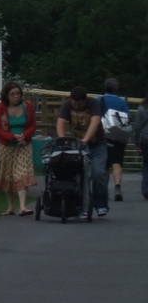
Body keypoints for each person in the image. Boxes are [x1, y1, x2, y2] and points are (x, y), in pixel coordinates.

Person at [56, 85, 107, 217]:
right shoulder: (67, 105)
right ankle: (78, 205)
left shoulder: (93, 103)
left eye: (79, 103)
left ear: (85, 100)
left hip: (96, 144)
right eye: (74, 103)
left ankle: (100, 204)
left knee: (98, 173)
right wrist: (62, 140)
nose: (76, 106)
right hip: (77, 145)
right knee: (78, 175)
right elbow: (61, 122)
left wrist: (86, 139)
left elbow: (95, 121)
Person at [0, 80, 37, 215]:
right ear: (6, 95)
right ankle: (10, 206)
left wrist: (24, 135)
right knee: (8, 174)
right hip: (7, 146)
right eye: (12, 94)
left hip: (24, 145)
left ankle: (22, 206)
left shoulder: (28, 106)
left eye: (18, 93)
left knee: (22, 172)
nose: (16, 96)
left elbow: (33, 125)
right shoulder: (1, 108)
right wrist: (11, 137)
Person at [99, 77, 132, 202]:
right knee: (116, 162)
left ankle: (103, 189)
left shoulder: (98, 100)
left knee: (103, 164)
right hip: (117, 136)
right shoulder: (121, 102)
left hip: (102, 135)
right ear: (116, 89)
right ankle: (117, 186)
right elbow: (127, 118)